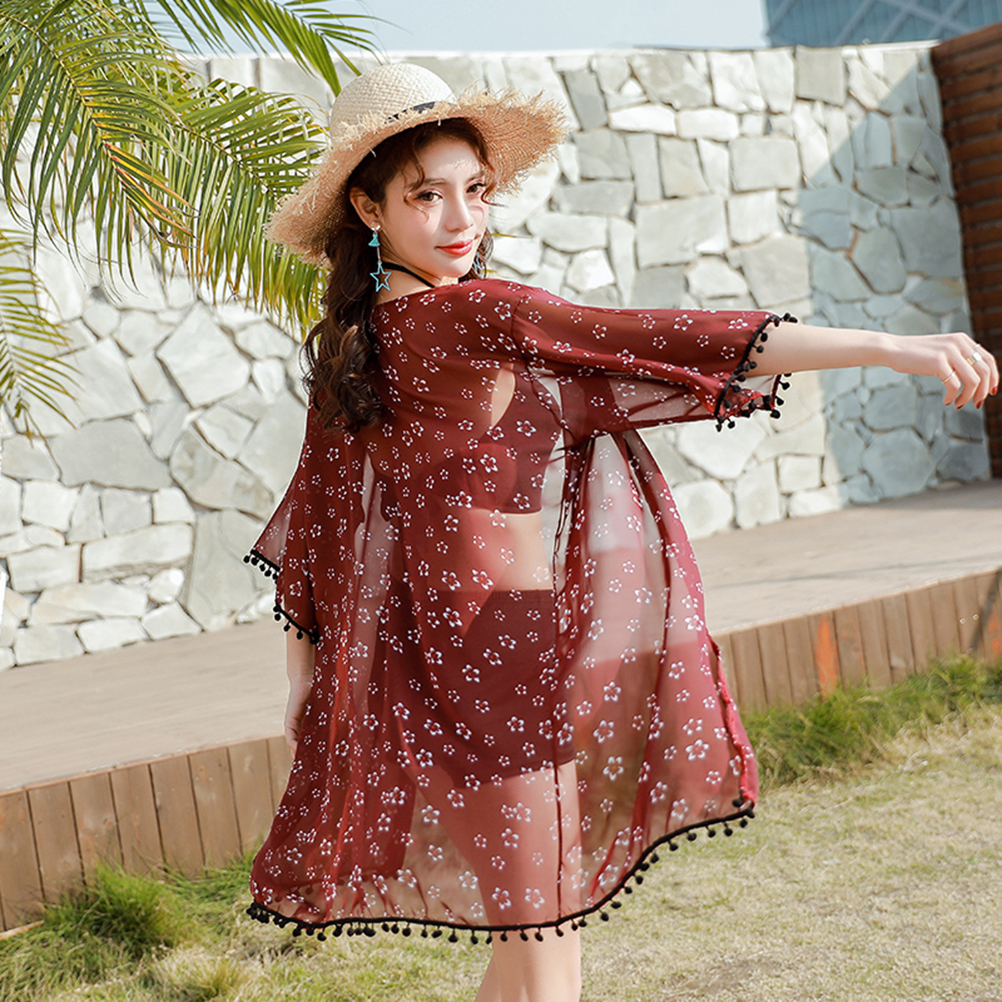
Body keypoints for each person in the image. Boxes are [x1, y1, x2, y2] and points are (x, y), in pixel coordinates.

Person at [242, 63, 998, 1002]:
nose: (460, 219)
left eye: (476, 190)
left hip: (460, 653)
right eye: (427, 196)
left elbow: (317, 525)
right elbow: (663, 336)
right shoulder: (474, 312)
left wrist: (304, 680)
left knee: (531, 951)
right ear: (369, 207)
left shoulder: (359, 350)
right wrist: (891, 346)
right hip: (490, 663)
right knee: (547, 961)